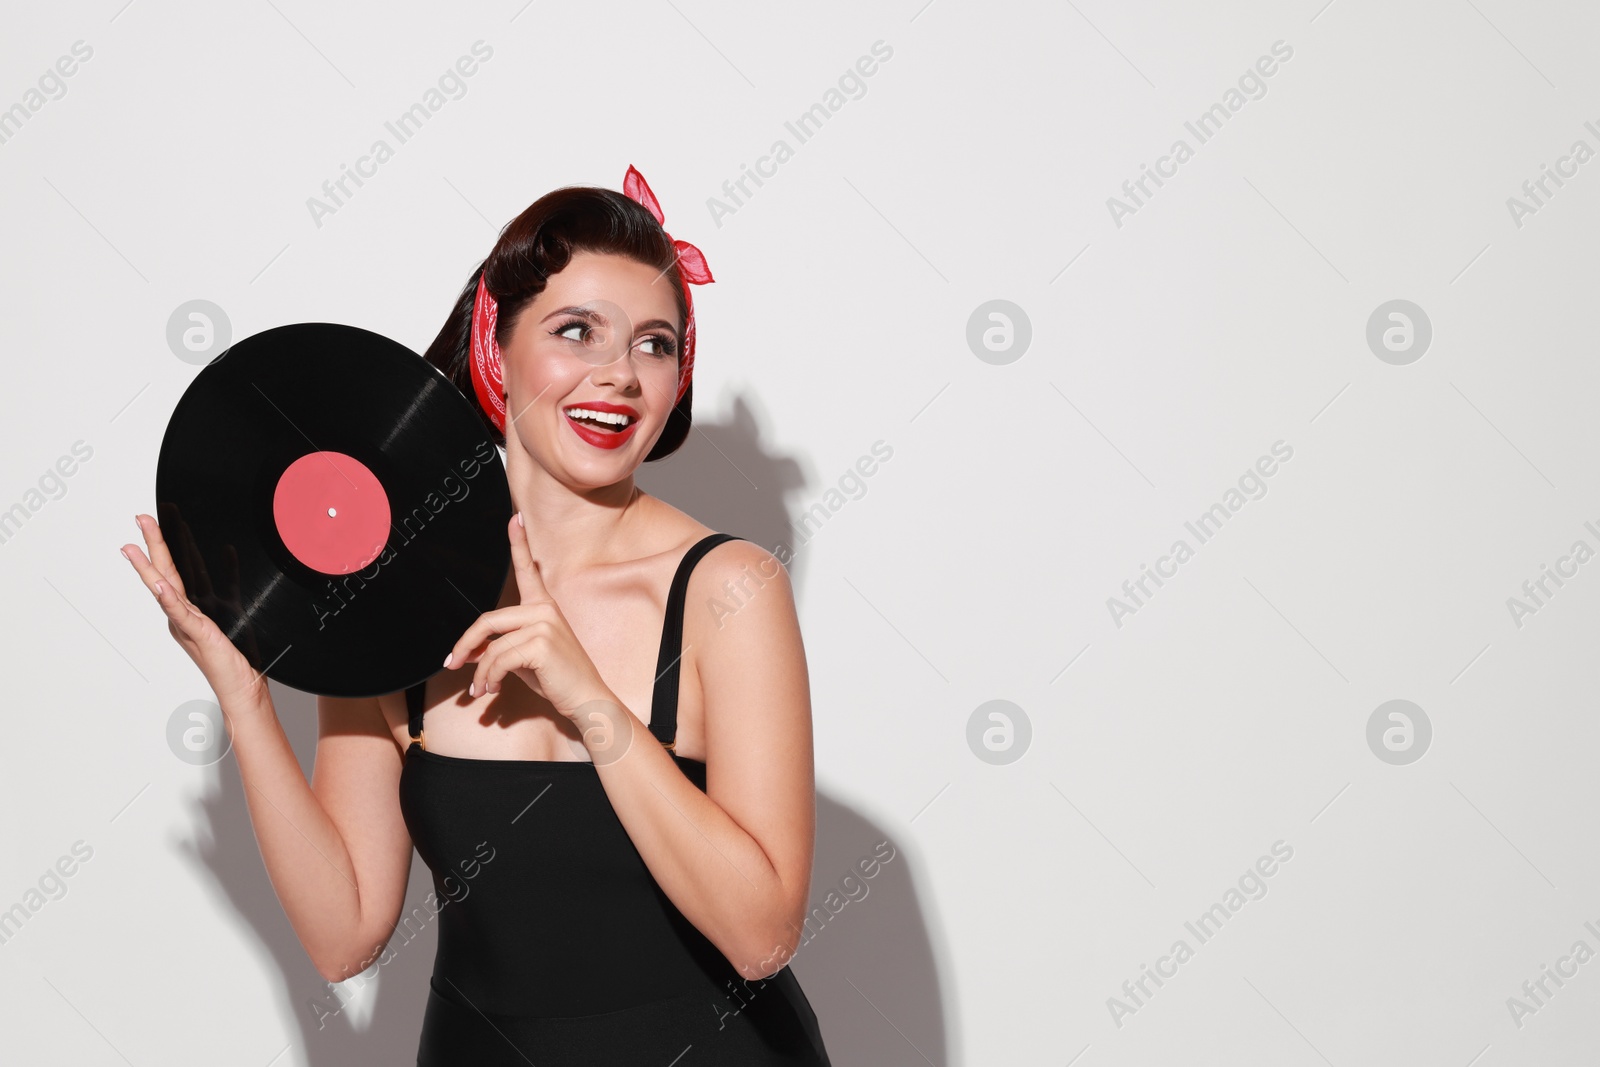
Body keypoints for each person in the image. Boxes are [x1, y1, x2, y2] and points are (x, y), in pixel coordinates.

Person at [121, 166, 833, 1065]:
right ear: (497, 345)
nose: (619, 375)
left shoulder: (728, 589)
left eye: (655, 344)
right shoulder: (388, 587)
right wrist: (246, 700)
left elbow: (761, 936)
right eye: (578, 331)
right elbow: (345, 935)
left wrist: (593, 705)